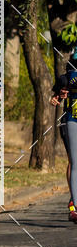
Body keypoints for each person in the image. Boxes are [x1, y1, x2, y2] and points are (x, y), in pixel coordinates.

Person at [50, 48, 77, 222]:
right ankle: (75, 205)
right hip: (72, 118)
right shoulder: (71, 70)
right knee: (74, 161)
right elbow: (62, 82)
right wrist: (58, 95)